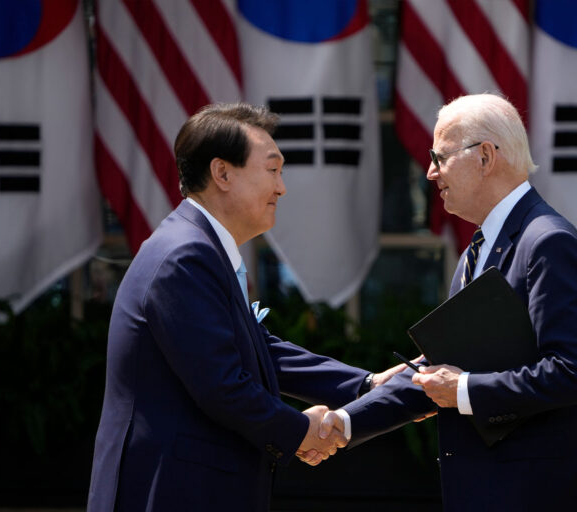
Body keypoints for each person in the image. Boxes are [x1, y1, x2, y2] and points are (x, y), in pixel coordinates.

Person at [87, 103, 405, 511]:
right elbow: (222, 385)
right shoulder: (185, 256)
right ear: (222, 173)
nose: (281, 187)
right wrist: (301, 430)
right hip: (171, 489)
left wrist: (366, 385)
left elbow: (259, 348)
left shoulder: (198, 247)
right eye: (272, 170)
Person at [318, 93, 577, 510]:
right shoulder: (475, 251)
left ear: (484, 157)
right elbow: (441, 369)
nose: (429, 172)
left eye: (439, 157)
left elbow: (576, 372)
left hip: (541, 493)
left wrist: (461, 388)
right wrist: (344, 422)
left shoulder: (547, 241)